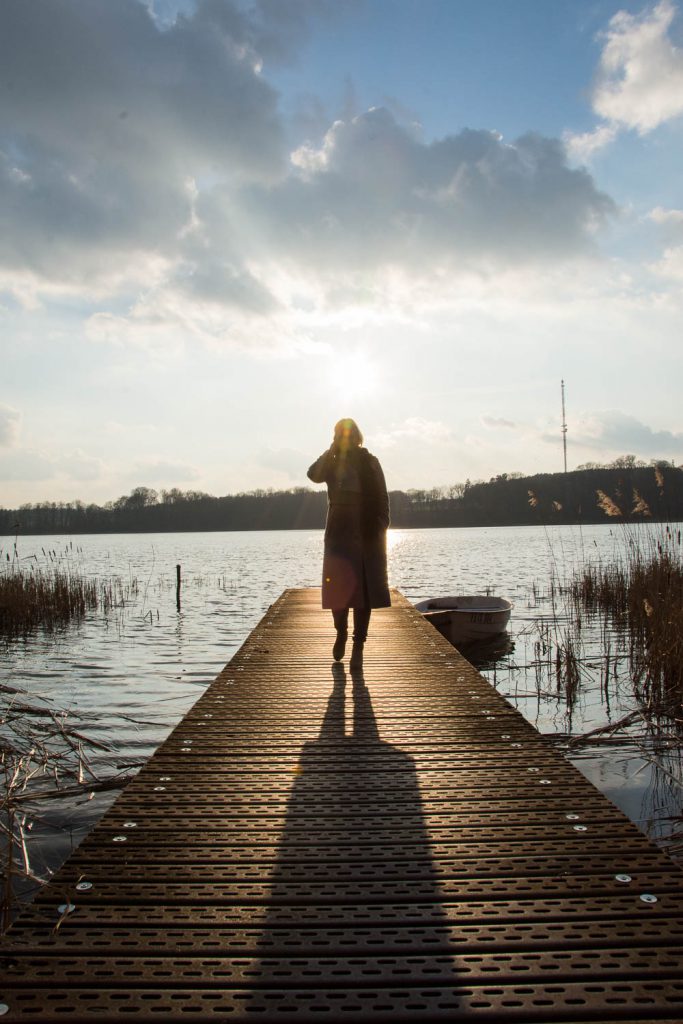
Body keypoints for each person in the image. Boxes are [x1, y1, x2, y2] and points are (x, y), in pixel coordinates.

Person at [307, 418, 391, 670]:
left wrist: (381, 524)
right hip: (338, 531)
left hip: (366, 531)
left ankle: (359, 644)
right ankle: (341, 631)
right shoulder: (332, 463)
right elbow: (313, 474)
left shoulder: (370, 462)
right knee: (337, 589)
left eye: (347, 435)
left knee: (364, 591)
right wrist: (331, 450)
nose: (344, 439)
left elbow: (382, 496)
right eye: (338, 435)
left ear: (356, 436)